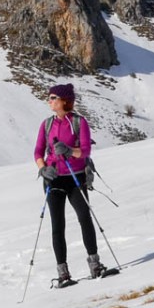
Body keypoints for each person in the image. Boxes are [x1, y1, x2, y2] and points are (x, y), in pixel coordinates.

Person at [33, 83, 108, 286]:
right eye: (49, 97)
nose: (49, 101)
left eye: (53, 97)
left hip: (76, 177)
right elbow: (38, 152)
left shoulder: (78, 122)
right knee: (58, 225)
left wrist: (68, 150)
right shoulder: (46, 124)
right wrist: (42, 169)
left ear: (64, 100)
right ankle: (63, 273)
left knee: (84, 217)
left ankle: (95, 264)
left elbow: (85, 151)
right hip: (54, 178)